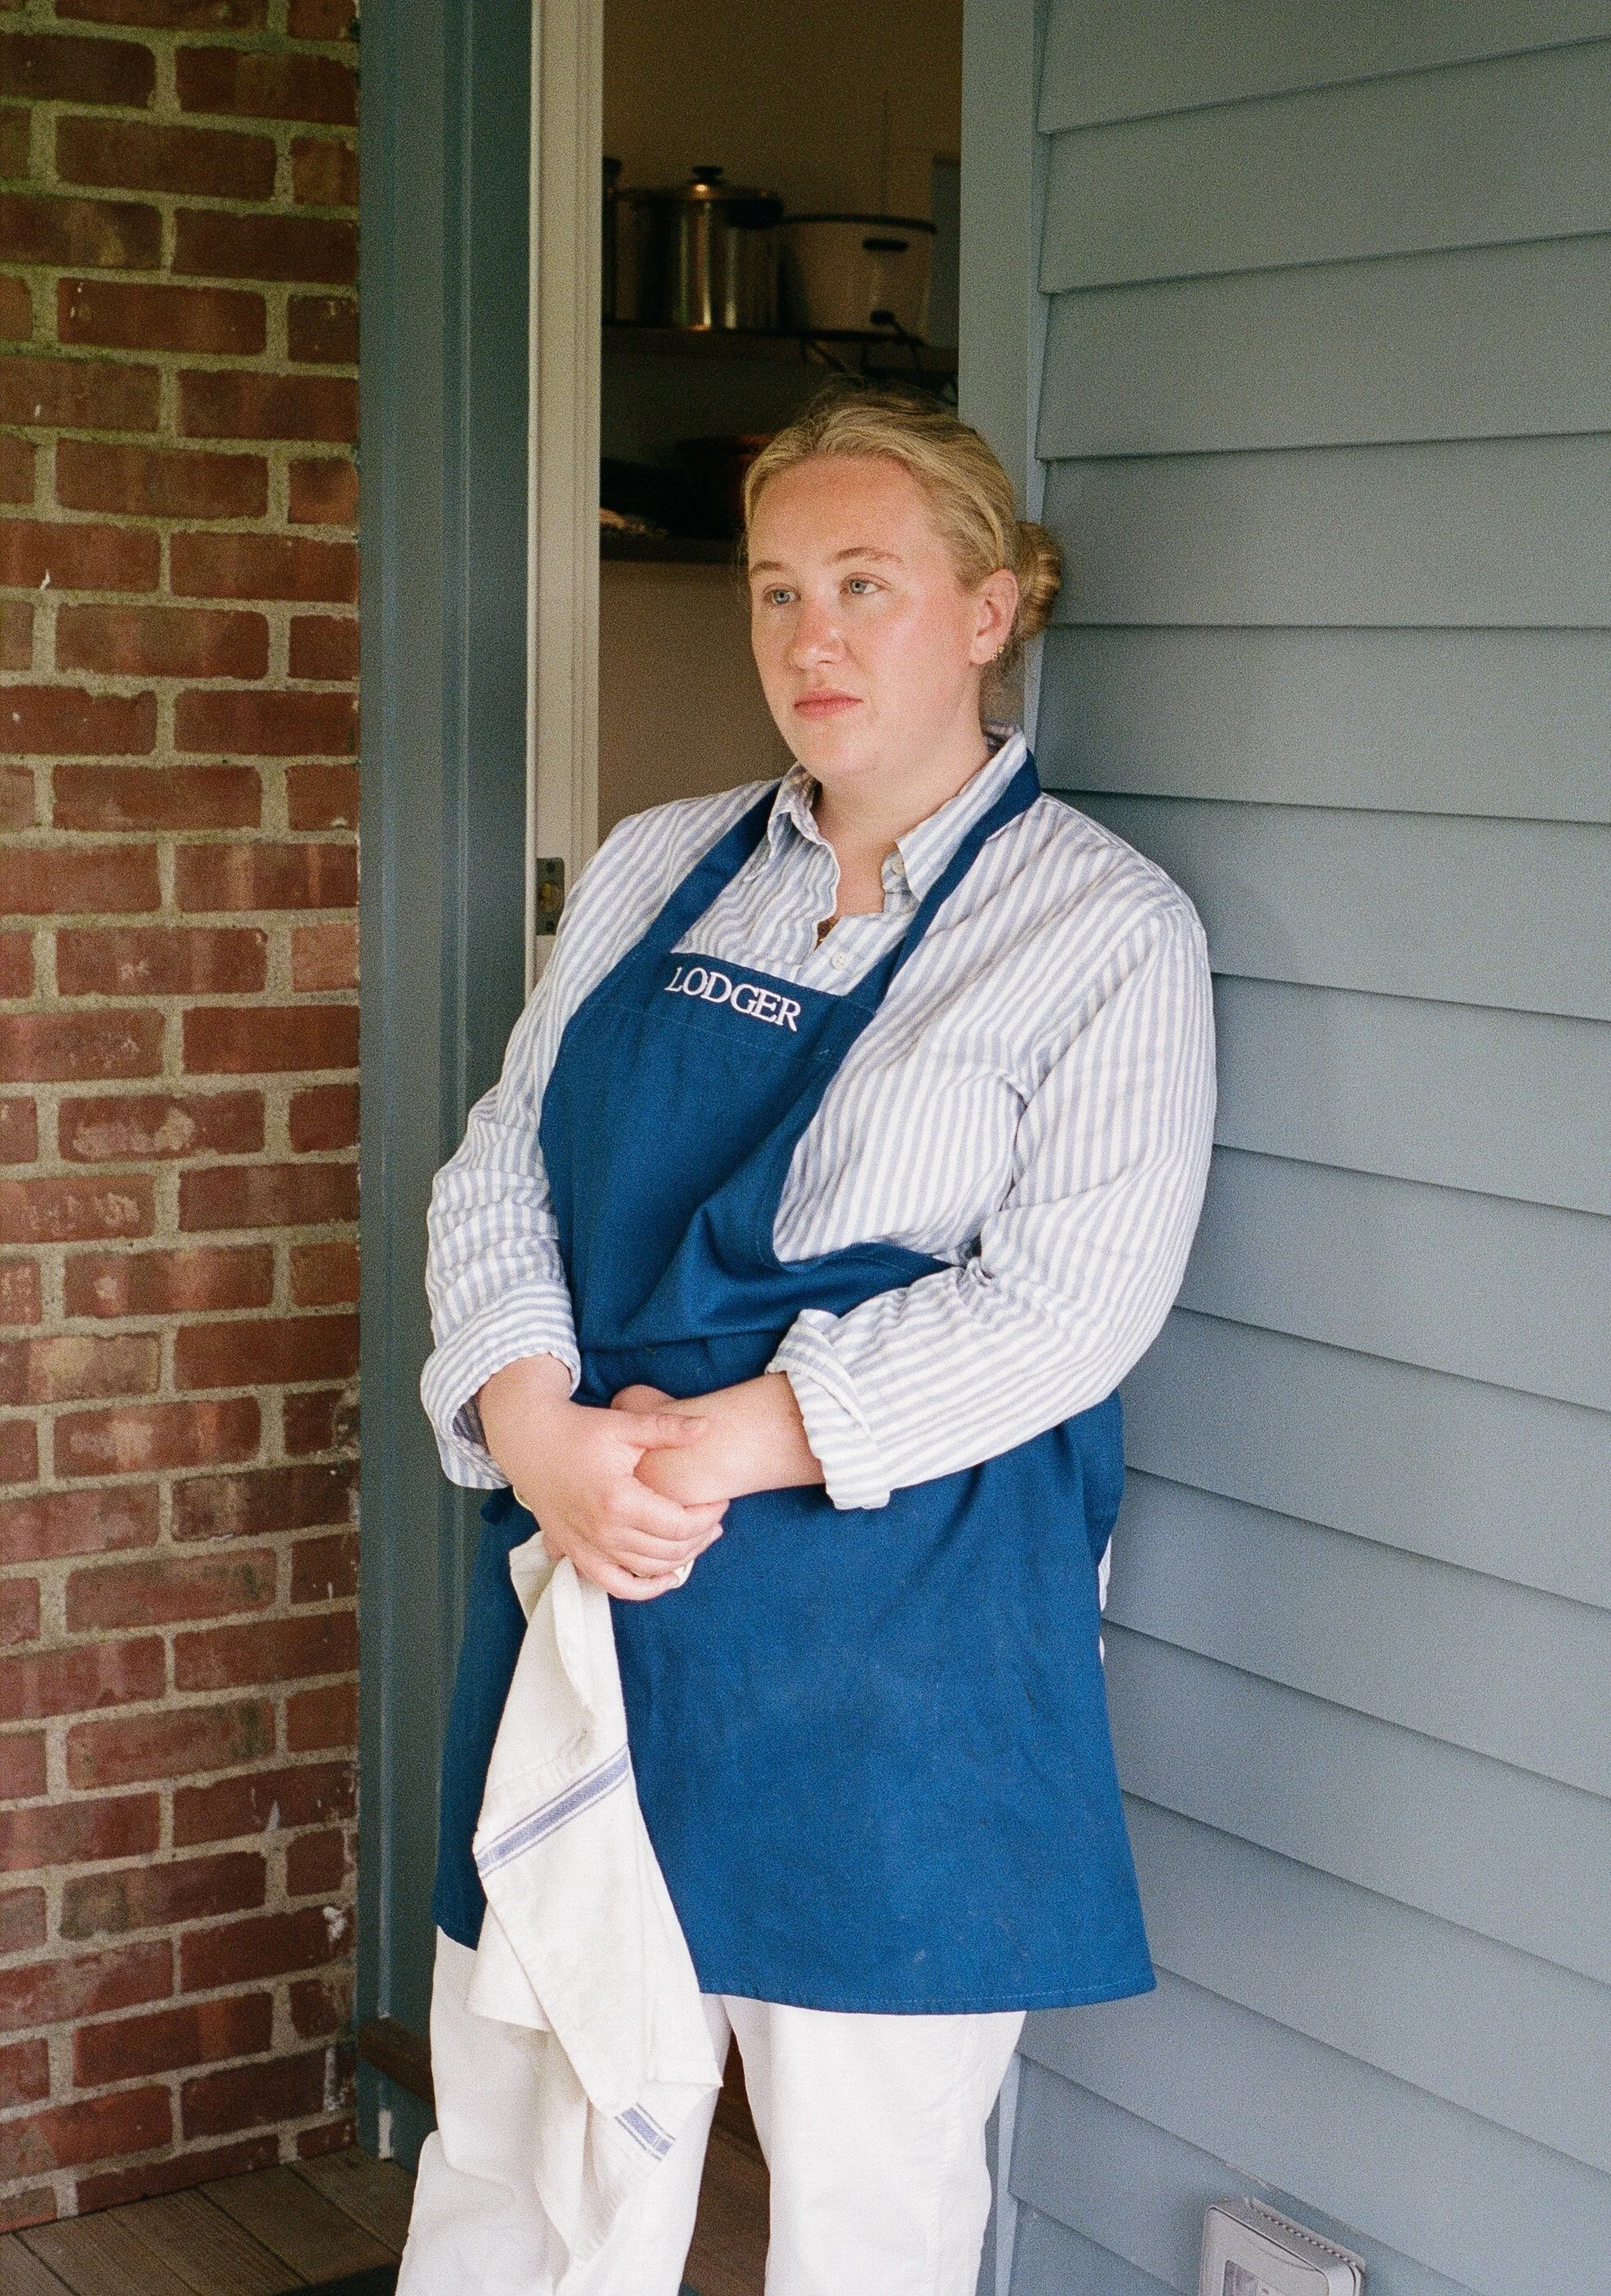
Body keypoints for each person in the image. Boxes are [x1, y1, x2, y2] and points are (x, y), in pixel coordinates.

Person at [403, 386, 1216, 2296]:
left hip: (895, 1648)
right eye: (775, 592)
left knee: (864, 2200)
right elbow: (500, 1161)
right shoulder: (653, 863)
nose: (809, 639)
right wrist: (533, 1422)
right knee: (524, 2136)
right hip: (585, 1569)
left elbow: (1067, 1307)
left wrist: (693, 1457)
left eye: (865, 582)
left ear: (991, 609)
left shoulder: (1101, 928)